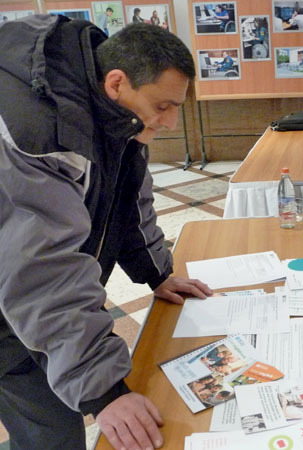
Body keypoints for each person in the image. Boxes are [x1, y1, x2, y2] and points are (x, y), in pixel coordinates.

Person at [0, 17, 213, 450]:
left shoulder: (113, 110)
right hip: (12, 310)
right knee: (53, 432)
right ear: (117, 82)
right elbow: (42, 269)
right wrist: (104, 389)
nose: (171, 122)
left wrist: (156, 272)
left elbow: (128, 198)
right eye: (163, 106)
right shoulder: (38, 130)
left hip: (32, 297)